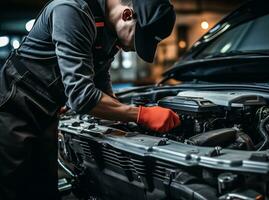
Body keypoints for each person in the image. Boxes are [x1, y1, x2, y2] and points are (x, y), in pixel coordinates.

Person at [0, 0, 180, 199]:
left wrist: (119, 115)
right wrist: (141, 115)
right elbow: (82, 97)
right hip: (14, 105)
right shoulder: (71, 11)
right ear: (127, 15)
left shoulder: (109, 30)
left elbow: (100, 79)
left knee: (43, 188)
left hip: (47, 109)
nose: (133, 49)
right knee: (14, 188)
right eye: (137, 37)